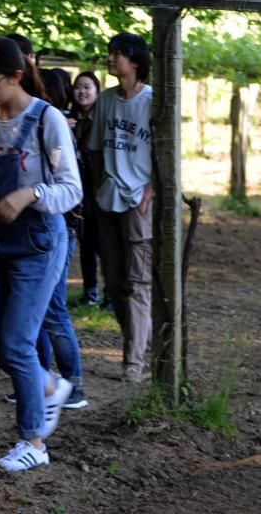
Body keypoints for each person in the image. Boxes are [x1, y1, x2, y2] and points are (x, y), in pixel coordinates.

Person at [0, 36, 81, 472]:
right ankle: (48, 384)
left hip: (41, 243)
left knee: (16, 341)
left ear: (15, 76)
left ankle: (33, 442)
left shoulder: (47, 120)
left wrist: (29, 194)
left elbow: (72, 188)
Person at [88, 34, 153, 384]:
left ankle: (134, 361)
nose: (111, 59)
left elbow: (166, 152)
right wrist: (100, 186)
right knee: (113, 282)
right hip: (108, 198)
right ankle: (142, 344)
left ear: (136, 61)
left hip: (138, 200)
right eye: (110, 53)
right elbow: (97, 149)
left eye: (118, 55)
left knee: (138, 282)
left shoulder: (153, 101)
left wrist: (150, 190)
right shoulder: (108, 100)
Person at [37, 67, 88, 410]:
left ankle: (73, 383)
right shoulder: (48, 125)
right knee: (40, 310)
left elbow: (69, 188)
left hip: (61, 228)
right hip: (50, 228)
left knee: (53, 308)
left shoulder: (55, 127)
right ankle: (42, 380)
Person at [69, 71, 102, 306]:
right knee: (86, 244)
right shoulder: (66, 120)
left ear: (97, 92)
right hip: (77, 193)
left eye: (87, 87)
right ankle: (90, 293)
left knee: (104, 245)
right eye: (78, 87)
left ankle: (111, 293)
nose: (82, 92)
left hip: (98, 190)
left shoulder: (102, 121)